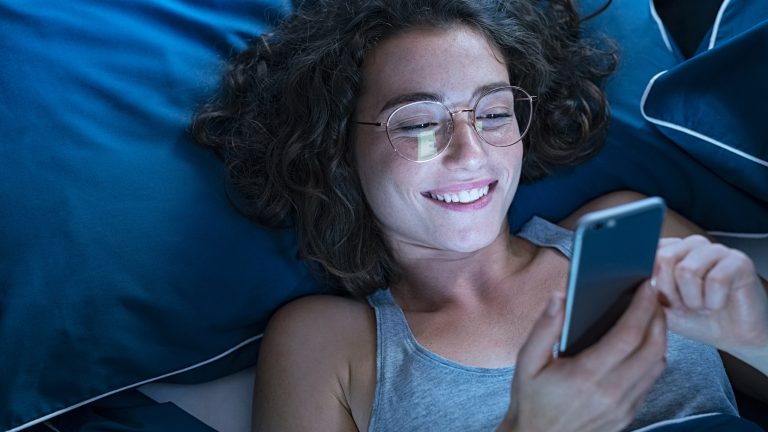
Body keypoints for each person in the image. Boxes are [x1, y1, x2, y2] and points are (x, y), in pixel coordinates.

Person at [192, 0, 768, 430]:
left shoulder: (632, 235)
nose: (472, 154)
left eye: (494, 113)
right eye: (418, 123)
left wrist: (754, 336)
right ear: (337, 146)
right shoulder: (327, 345)